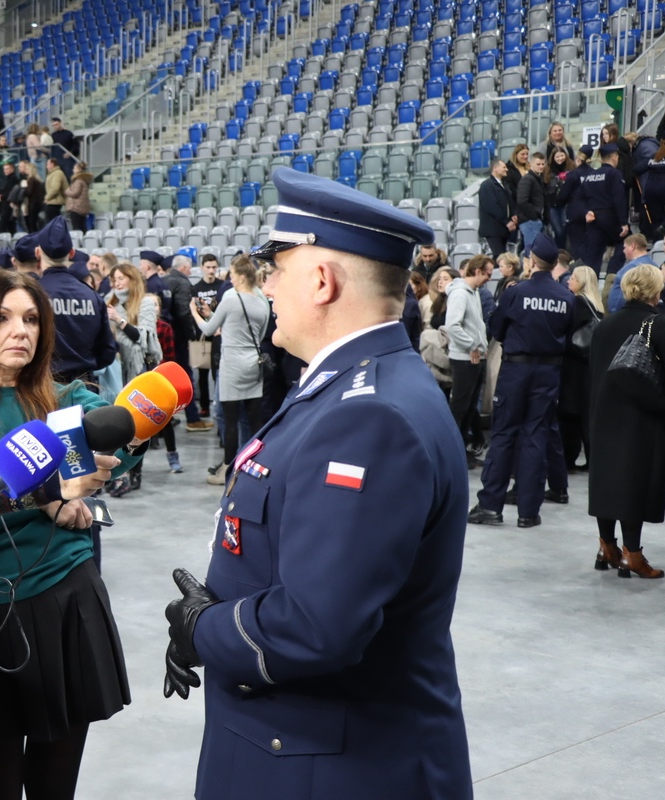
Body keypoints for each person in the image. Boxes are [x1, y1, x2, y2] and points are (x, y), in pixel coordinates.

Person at [163, 167, 471, 800]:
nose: (267, 284)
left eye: (276, 267)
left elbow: (313, 627)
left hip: (325, 765)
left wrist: (206, 630)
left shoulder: (367, 414)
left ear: (322, 280)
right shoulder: (356, 383)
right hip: (309, 748)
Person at [0, 270, 143, 800]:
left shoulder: (67, 401)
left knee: (54, 787)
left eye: (32, 319)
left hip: (67, 596)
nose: (21, 331)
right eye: (4, 318)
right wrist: (47, 496)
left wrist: (126, 435)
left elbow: (118, 439)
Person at [468, 233, 574, 528]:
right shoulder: (566, 296)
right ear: (554, 264)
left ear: (530, 262)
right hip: (549, 372)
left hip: (516, 370)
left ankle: (490, 505)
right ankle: (529, 511)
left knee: (504, 434)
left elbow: (498, 328)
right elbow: (567, 333)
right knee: (536, 436)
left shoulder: (516, 293)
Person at [588, 264, 665, 578]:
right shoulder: (663, 326)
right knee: (635, 482)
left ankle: (607, 547)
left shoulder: (604, 325)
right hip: (644, 418)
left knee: (606, 480)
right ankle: (633, 554)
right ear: (657, 291)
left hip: (603, 415)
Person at [189, 254, 269, 482]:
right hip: (254, 364)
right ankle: (255, 465)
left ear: (242, 277)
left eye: (233, 274)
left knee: (230, 420)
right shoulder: (261, 298)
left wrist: (195, 312)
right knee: (254, 420)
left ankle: (228, 470)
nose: (230, 278)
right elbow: (258, 332)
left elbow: (208, 327)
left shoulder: (231, 297)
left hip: (232, 366)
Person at [31, 217, 117, 386]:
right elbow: (107, 351)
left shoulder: (32, 294)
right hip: (84, 387)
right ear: (71, 253)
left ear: (37, 253)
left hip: (42, 387)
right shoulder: (92, 296)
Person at [104, 261, 161, 495]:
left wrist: (118, 319)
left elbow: (144, 338)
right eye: (114, 279)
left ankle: (135, 474)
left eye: (121, 279)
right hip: (117, 369)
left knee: (138, 425)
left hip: (139, 371)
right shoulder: (111, 301)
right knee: (117, 425)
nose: (117, 283)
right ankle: (117, 473)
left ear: (132, 279)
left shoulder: (146, 302)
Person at [445, 255, 491, 464]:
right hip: (465, 358)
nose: (490, 278)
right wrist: (472, 346)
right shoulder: (460, 295)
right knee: (460, 407)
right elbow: (452, 325)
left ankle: (460, 449)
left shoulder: (473, 292)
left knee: (470, 405)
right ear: (478, 271)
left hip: (475, 357)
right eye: (488, 274)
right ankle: (451, 452)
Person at [559, 266, 605, 474]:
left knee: (570, 414)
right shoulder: (598, 305)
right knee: (586, 415)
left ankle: (568, 459)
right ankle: (592, 459)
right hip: (588, 367)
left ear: (581, 282)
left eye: (573, 279)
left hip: (573, 367)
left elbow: (569, 337)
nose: (568, 282)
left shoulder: (577, 303)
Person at [166, 254, 212, 433]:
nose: (190, 271)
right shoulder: (183, 283)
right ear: (184, 268)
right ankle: (192, 418)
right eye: (189, 267)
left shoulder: (164, 281)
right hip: (178, 339)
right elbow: (184, 312)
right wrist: (191, 336)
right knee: (185, 377)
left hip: (165, 338)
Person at [579, 142, 630, 275]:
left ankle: (588, 289)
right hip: (610, 216)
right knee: (626, 241)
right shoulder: (614, 174)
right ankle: (612, 274)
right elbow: (619, 199)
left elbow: (579, 198)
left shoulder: (590, 176)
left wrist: (586, 211)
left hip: (593, 218)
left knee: (593, 257)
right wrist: (623, 222)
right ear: (614, 157)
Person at [634, 129, 665, 239]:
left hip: (650, 189)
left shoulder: (654, 156)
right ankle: (664, 227)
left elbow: (637, 169)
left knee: (656, 219)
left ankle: (658, 240)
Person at [191, 254, 222, 416]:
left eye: (214, 267)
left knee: (218, 372)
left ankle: (219, 404)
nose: (211, 270)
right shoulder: (196, 288)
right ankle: (204, 406)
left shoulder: (222, 286)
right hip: (202, 333)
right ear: (202, 267)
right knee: (202, 373)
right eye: (208, 267)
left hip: (219, 333)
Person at [557, 144, 595, 256]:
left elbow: (563, 196)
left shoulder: (573, 174)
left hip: (575, 213)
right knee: (591, 244)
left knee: (578, 245)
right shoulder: (595, 174)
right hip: (592, 213)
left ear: (578, 157)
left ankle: (580, 268)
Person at [605, 234, 655, 313]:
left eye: (625, 247)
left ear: (632, 246)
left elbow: (626, 292)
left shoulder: (632, 267)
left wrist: (616, 311)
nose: (623, 251)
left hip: (623, 314)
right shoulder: (653, 264)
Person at [479, 158, 518, 259]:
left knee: (502, 256)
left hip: (503, 228)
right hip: (493, 228)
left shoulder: (505, 184)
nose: (507, 169)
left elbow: (510, 202)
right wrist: (506, 221)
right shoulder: (486, 185)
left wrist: (513, 215)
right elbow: (491, 206)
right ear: (495, 168)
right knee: (499, 256)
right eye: (504, 167)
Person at [517, 151, 548, 256]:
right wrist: (534, 216)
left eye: (543, 164)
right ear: (530, 164)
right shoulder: (527, 179)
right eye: (538, 164)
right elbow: (522, 201)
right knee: (532, 252)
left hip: (535, 220)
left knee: (536, 251)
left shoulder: (537, 179)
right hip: (529, 221)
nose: (541, 166)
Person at [545, 147, 572, 248]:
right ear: (553, 158)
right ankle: (559, 253)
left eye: (562, 155)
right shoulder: (547, 171)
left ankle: (563, 253)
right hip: (553, 206)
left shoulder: (571, 167)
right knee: (558, 231)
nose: (560, 158)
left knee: (565, 231)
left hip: (566, 205)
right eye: (557, 156)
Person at [64, 160, 93, 232]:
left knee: (76, 227)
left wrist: (67, 191)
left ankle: (78, 242)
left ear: (79, 170)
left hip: (76, 207)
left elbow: (75, 193)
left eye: (74, 168)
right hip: (82, 207)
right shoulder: (83, 180)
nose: (73, 170)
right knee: (83, 227)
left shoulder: (78, 181)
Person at [20, 160, 45, 233]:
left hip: (32, 204)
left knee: (31, 224)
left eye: (27, 169)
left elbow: (29, 192)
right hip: (36, 204)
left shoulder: (31, 179)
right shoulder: (37, 179)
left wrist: (24, 187)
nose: (26, 170)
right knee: (33, 224)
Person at [0, 161, 19, 234]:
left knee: (2, 225)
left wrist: (2, 196)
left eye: (7, 169)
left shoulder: (13, 179)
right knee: (10, 225)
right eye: (4, 169)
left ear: (12, 169)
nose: (5, 171)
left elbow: (10, 192)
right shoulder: (9, 179)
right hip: (7, 205)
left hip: (9, 205)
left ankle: (4, 242)